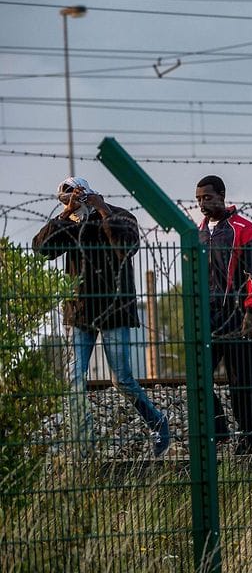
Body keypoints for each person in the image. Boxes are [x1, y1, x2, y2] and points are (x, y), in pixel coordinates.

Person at [33, 177, 170, 457]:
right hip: (80, 311)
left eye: (76, 196)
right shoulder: (71, 224)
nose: (74, 202)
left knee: (122, 380)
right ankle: (84, 443)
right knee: (74, 378)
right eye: (67, 199)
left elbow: (127, 247)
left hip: (114, 310)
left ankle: (158, 422)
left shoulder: (120, 215)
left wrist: (102, 210)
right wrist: (65, 214)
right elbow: (42, 249)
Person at [195, 175, 252, 454]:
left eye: (208, 197)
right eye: (199, 199)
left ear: (222, 195)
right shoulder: (199, 232)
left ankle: (249, 438)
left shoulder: (243, 229)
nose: (203, 203)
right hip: (208, 316)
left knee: (241, 382)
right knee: (199, 375)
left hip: (237, 316)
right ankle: (219, 430)